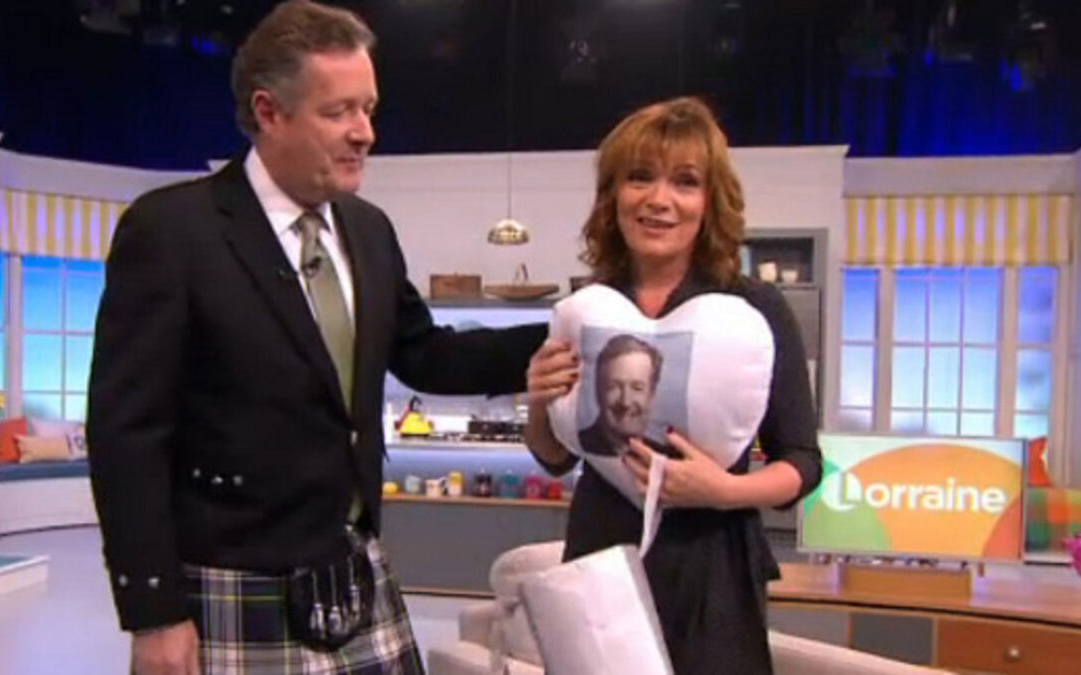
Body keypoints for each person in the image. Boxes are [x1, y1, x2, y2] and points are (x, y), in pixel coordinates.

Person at [86, 2, 545, 673]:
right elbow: (126, 434)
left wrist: (567, 335)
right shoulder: (172, 231)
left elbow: (428, 354)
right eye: (339, 112)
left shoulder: (368, 229)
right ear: (269, 111)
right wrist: (153, 610)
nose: (365, 133)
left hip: (356, 568)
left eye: (369, 109)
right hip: (230, 578)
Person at [524, 97, 822, 675]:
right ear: (613, 195)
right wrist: (538, 400)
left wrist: (722, 489)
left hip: (712, 571)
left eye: (685, 182)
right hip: (599, 558)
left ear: (710, 201)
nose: (659, 200)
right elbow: (556, 457)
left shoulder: (754, 307)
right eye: (640, 177)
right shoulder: (590, 306)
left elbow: (804, 463)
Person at [577, 333, 663, 457]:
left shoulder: (666, 455)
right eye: (613, 387)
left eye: (637, 388)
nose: (625, 402)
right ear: (598, 391)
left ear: (652, 395)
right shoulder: (575, 445)